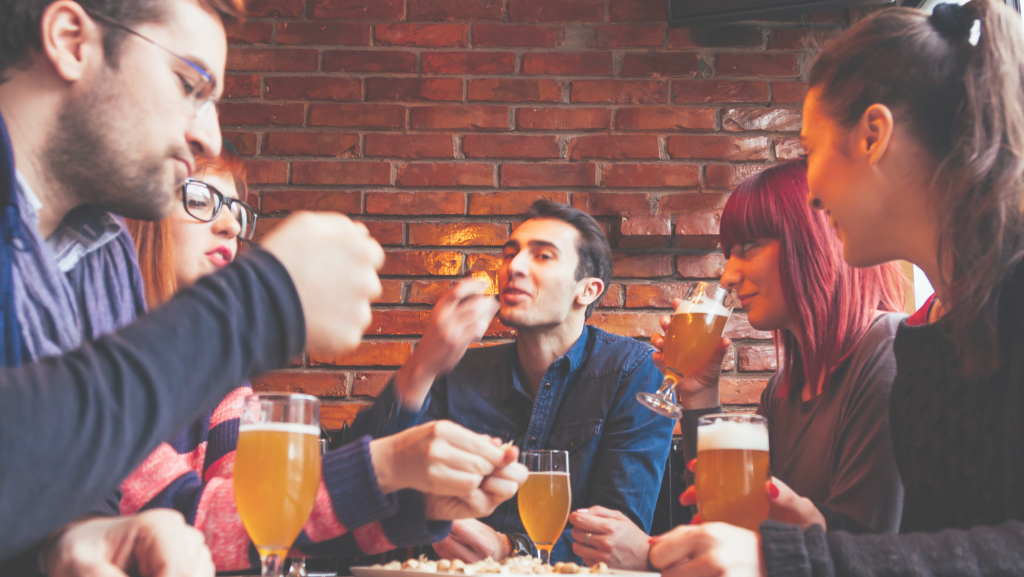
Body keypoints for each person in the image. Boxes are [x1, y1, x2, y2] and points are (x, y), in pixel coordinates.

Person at [0, 0, 519, 572]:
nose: (210, 135)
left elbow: (144, 498)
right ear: (71, 40)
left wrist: (75, 541)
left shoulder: (98, 251)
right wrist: (262, 302)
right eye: (189, 83)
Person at [647, 2, 1024, 576]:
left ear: (874, 135)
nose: (813, 191)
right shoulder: (930, 335)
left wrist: (792, 557)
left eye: (809, 149)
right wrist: (821, 531)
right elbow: (934, 543)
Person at [119, 149, 527, 572]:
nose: (231, 225)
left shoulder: (217, 378)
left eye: (237, 210)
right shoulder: (94, 353)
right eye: (201, 200)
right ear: (134, 214)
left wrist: (422, 503)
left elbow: (257, 519)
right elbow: (183, 520)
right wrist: (386, 466)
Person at [570, 161, 907, 570]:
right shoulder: (783, 389)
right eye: (729, 254)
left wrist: (651, 555)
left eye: (746, 249)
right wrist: (698, 396)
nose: (728, 275)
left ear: (814, 239)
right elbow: (728, 526)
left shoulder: (887, 354)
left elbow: (864, 553)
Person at [352, 200, 676, 564]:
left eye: (543, 256)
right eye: (510, 254)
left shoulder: (633, 370)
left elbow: (615, 537)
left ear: (586, 290)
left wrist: (508, 548)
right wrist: (421, 364)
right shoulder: (459, 369)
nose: (513, 267)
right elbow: (358, 487)